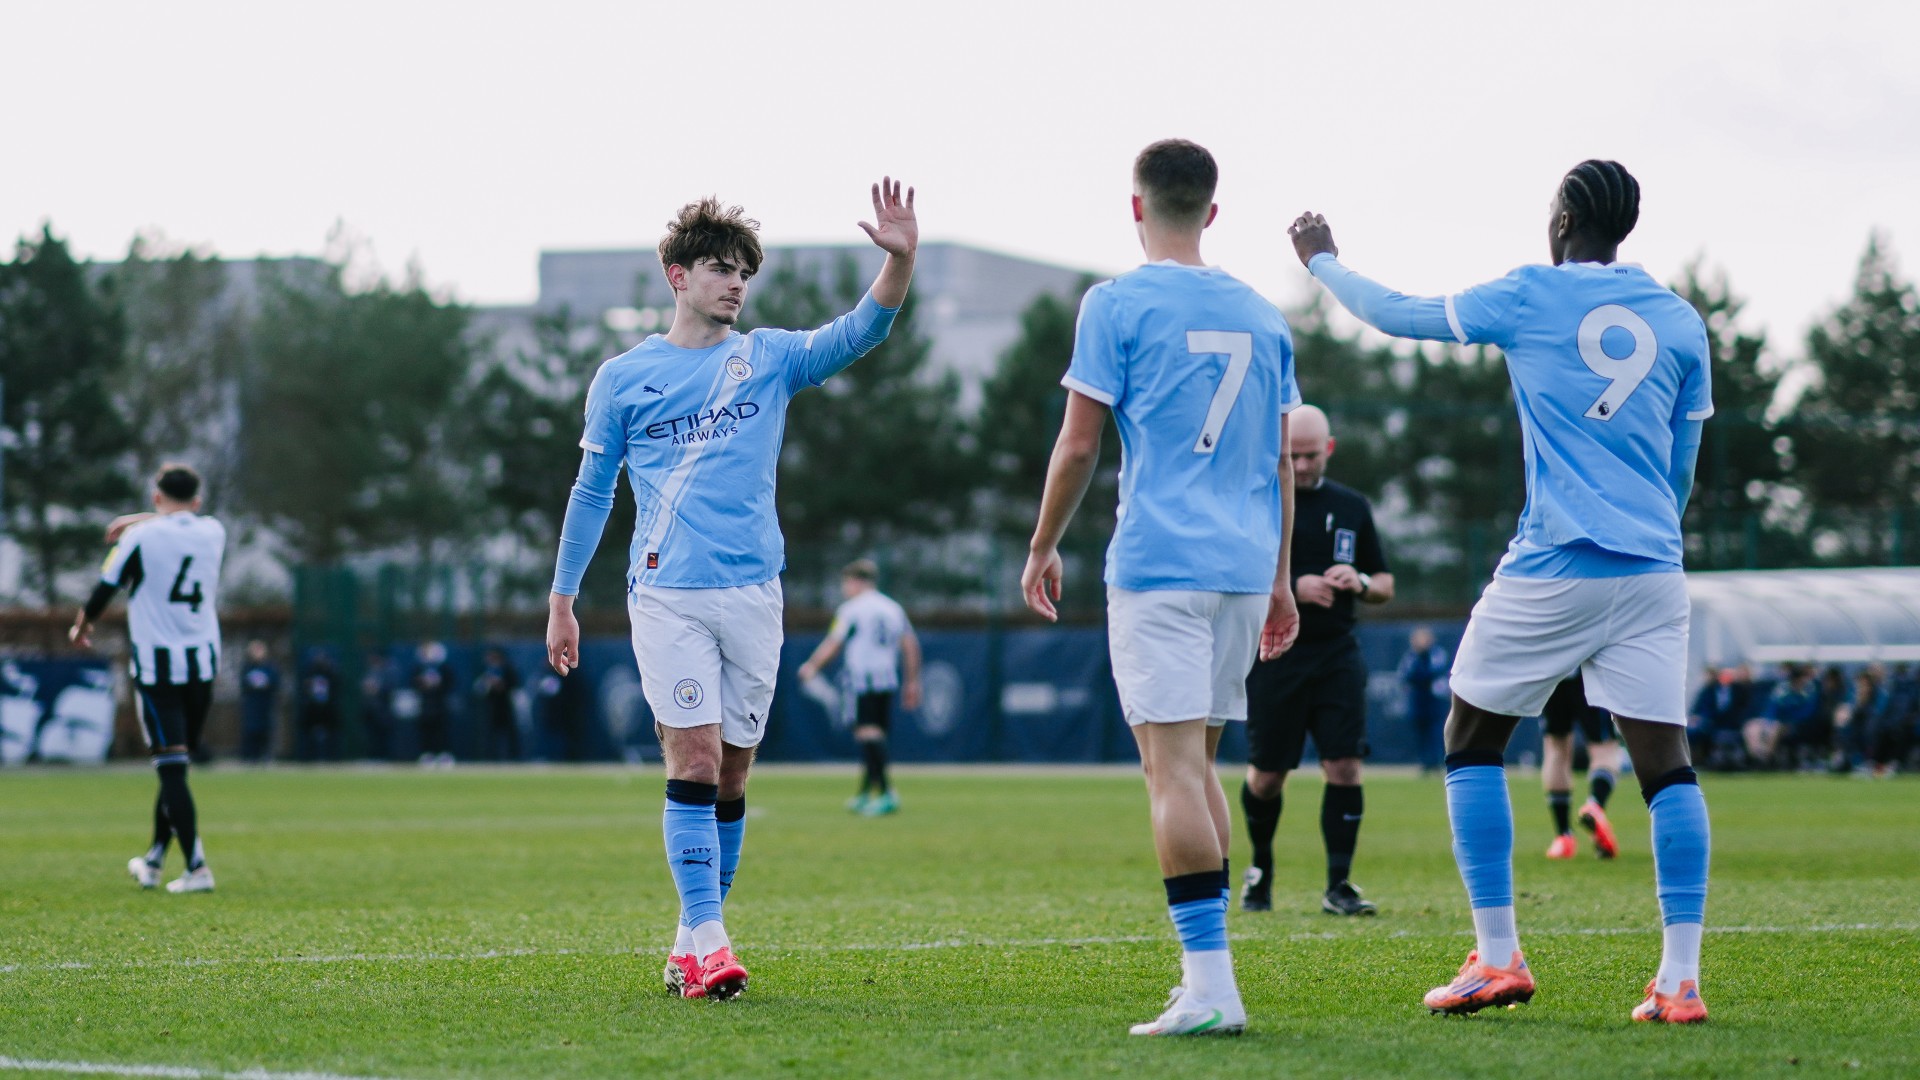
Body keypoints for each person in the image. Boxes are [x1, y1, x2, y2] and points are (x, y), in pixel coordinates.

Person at [1290, 158, 1715, 1024]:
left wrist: (1323, 260)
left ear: (1562, 220)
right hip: (1652, 570)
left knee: (1470, 738)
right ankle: (1679, 981)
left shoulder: (1530, 294)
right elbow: (1681, 469)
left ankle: (1496, 958)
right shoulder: (1681, 323)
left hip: (1556, 563)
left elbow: (1399, 315)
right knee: (1666, 766)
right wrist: (1647, 537)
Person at [544, 180, 919, 1003]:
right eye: (720, 268)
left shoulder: (770, 358)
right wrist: (564, 597)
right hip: (666, 594)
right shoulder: (623, 377)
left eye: (744, 271)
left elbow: (863, 330)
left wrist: (899, 262)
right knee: (696, 757)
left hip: (755, 594)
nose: (736, 283)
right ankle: (713, 942)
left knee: (734, 778)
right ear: (677, 275)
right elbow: (591, 492)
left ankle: (687, 942)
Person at [1021, 139, 1299, 1036]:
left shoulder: (1116, 303)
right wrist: (1284, 579)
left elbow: (1076, 444)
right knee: (1200, 764)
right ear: (1211, 212)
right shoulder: (1265, 316)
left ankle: (1213, 988)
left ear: (1136, 206)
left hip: (1161, 566)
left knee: (1170, 769)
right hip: (1243, 572)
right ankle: (1206, 978)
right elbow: (1281, 461)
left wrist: (1042, 545)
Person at [1238, 404, 1394, 916]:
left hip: (1336, 653)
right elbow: (1233, 576)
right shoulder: (1260, 501)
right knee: (1267, 775)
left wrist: (1362, 582)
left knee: (1345, 765)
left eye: (1310, 455)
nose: (1301, 465)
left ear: (1328, 449)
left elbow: (1385, 583)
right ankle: (1260, 869)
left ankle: (1339, 884)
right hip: (1274, 652)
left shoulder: (1351, 505)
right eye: (1292, 455)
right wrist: (1291, 587)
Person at [71, 464, 225, 894]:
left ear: (156, 497)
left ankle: (197, 866)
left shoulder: (140, 538)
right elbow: (180, 520)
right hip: (202, 664)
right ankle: (155, 860)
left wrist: (82, 626)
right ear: (196, 501)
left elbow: (105, 588)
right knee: (174, 768)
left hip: (159, 667)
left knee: (171, 768)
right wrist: (143, 518)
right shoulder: (213, 531)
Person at [797, 559, 923, 815]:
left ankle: (887, 792)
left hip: (862, 679)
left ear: (856, 581)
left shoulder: (851, 609)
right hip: (887, 679)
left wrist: (812, 665)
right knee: (875, 734)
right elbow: (910, 645)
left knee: (867, 733)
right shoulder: (892, 607)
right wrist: (912, 681)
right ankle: (866, 793)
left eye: (846, 583)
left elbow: (834, 642)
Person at [1539, 673, 1624, 860]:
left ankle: (1563, 836)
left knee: (1556, 749)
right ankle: (1595, 804)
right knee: (1604, 749)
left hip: (1553, 671)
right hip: (1587, 671)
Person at [1400, 627, 1449, 775]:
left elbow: (1435, 672)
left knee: (1435, 732)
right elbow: (1406, 675)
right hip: (1418, 699)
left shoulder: (1437, 654)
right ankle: (1424, 762)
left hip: (1434, 700)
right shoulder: (1411, 656)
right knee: (1421, 732)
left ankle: (1435, 762)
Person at [475, 647, 522, 762]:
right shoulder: (486, 670)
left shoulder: (508, 669)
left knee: (509, 733)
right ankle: (490, 757)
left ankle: (512, 757)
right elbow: (479, 688)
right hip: (491, 706)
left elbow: (514, 686)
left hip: (506, 706)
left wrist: (502, 685)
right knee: (490, 733)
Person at [413, 641, 454, 768]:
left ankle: (444, 756)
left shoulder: (444, 668)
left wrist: (437, 684)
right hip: (425, 705)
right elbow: (414, 683)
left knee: (442, 731)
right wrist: (423, 683)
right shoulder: (419, 668)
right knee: (426, 731)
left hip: (440, 705)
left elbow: (450, 683)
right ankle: (427, 755)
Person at [238, 640, 279, 764]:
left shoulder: (270, 668)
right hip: (251, 706)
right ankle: (251, 757)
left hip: (265, 706)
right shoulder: (247, 668)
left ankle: (266, 756)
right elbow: (243, 686)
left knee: (266, 731)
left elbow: (275, 684)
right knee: (251, 731)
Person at [297, 650, 340, 762]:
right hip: (312, 709)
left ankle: (329, 758)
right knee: (310, 734)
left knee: (328, 734)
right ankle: (307, 758)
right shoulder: (309, 673)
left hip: (327, 709)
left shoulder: (330, 674)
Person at [360, 652, 398, 761]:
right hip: (369, 711)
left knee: (383, 736)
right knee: (370, 736)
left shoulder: (388, 672)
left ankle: (384, 757)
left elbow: (389, 690)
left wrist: (378, 689)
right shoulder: (369, 672)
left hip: (383, 711)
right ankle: (372, 757)